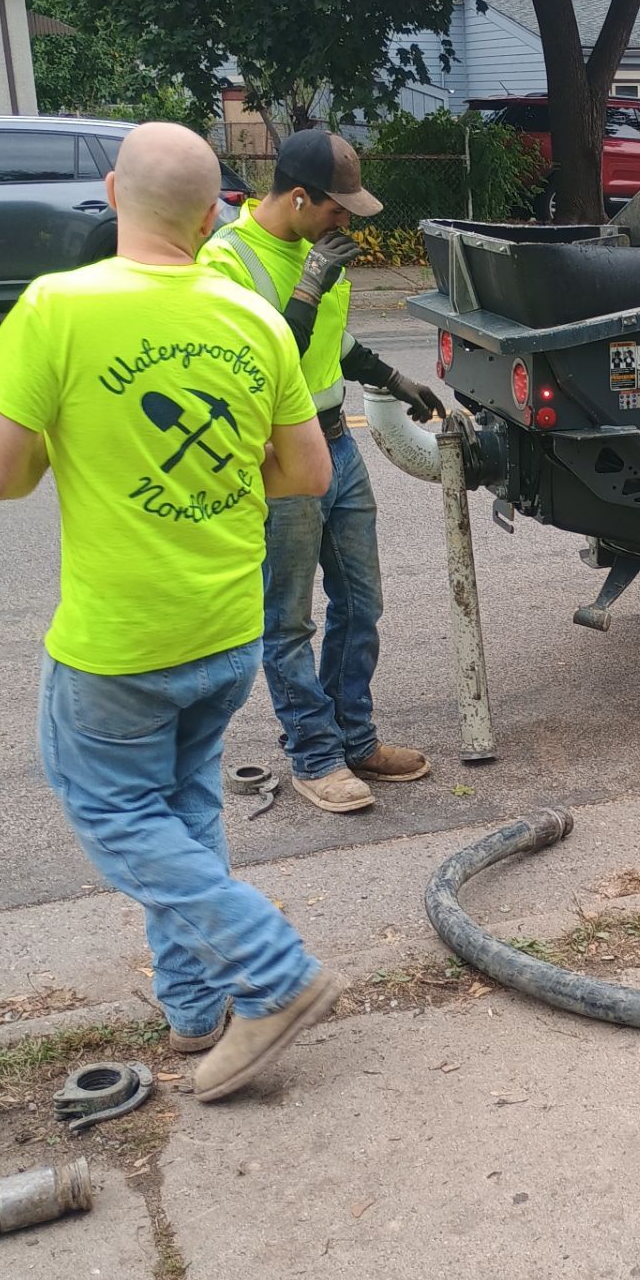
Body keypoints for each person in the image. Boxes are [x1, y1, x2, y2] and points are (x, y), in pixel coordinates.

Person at [0, 121, 340, 1104]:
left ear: (111, 192)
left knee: (112, 809)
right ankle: (192, 1010)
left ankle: (276, 973)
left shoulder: (58, 308)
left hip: (118, 642)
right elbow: (306, 471)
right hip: (225, 631)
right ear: (213, 212)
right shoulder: (253, 315)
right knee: (179, 812)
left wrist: (79, 447)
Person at [199, 130, 443, 814]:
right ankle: (313, 755)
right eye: (338, 210)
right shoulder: (226, 263)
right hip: (276, 457)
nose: (346, 225)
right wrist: (309, 285)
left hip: (337, 441)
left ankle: (353, 738)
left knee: (362, 603)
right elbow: (262, 363)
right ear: (301, 197)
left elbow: (334, 345)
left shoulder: (318, 253)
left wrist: (395, 377)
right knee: (288, 620)